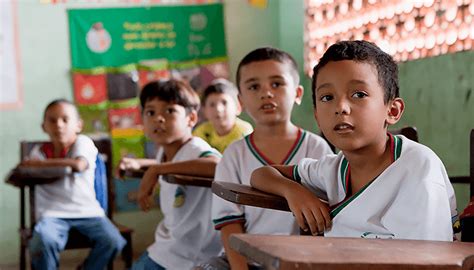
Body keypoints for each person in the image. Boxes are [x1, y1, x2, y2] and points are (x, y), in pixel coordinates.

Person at [250, 40, 458, 241]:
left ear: (392, 110)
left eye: (359, 94)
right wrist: (293, 191)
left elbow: (427, 259)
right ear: (317, 116)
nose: (341, 107)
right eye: (327, 97)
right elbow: (261, 175)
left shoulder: (418, 168)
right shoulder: (333, 169)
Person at [204, 47, 333, 270]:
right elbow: (229, 224)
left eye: (277, 84)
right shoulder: (234, 155)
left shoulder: (316, 147)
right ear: (241, 101)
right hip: (248, 260)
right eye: (254, 87)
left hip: (301, 260)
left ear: (298, 94)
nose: (266, 93)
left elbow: (326, 221)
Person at [118, 79, 222, 270]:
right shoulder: (165, 151)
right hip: (169, 245)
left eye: (169, 111)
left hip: (195, 253)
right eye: (151, 112)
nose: (159, 118)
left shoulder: (195, 147)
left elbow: (217, 164)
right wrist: (141, 163)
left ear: (191, 119)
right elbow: (171, 164)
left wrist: (156, 170)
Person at [21, 99, 125, 269]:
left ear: (78, 125)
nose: (59, 125)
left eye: (65, 119)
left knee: (113, 241)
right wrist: (35, 164)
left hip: (88, 212)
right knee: (43, 241)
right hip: (51, 214)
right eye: (52, 120)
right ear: (43, 127)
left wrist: (38, 164)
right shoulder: (38, 152)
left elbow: (79, 165)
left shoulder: (83, 143)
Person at [193, 78, 253, 153]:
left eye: (224, 103)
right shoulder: (200, 132)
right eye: (212, 105)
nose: (218, 109)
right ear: (205, 111)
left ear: (238, 107)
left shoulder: (244, 133)